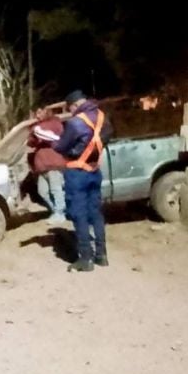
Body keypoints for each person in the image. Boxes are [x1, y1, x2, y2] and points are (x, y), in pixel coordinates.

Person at [53, 90, 114, 272]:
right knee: (95, 213)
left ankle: (85, 258)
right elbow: (106, 137)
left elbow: (61, 147)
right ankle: (101, 255)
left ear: (74, 105)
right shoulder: (103, 117)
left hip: (77, 174)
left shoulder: (75, 122)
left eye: (70, 108)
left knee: (79, 214)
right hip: (95, 170)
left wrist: (54, 143)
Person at [28, 106, 68, 224]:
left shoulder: (54, 123)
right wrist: (34, 134)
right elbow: (31, 141)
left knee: (56, 190)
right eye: (36, 113)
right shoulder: (37, 127)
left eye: (39, 112)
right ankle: (56, 211)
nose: (37, 115)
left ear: (46, 111)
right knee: (43, 191)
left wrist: (36, 130)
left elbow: (47, 135)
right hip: (42, 167)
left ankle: (60, 213)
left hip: (53, 163)